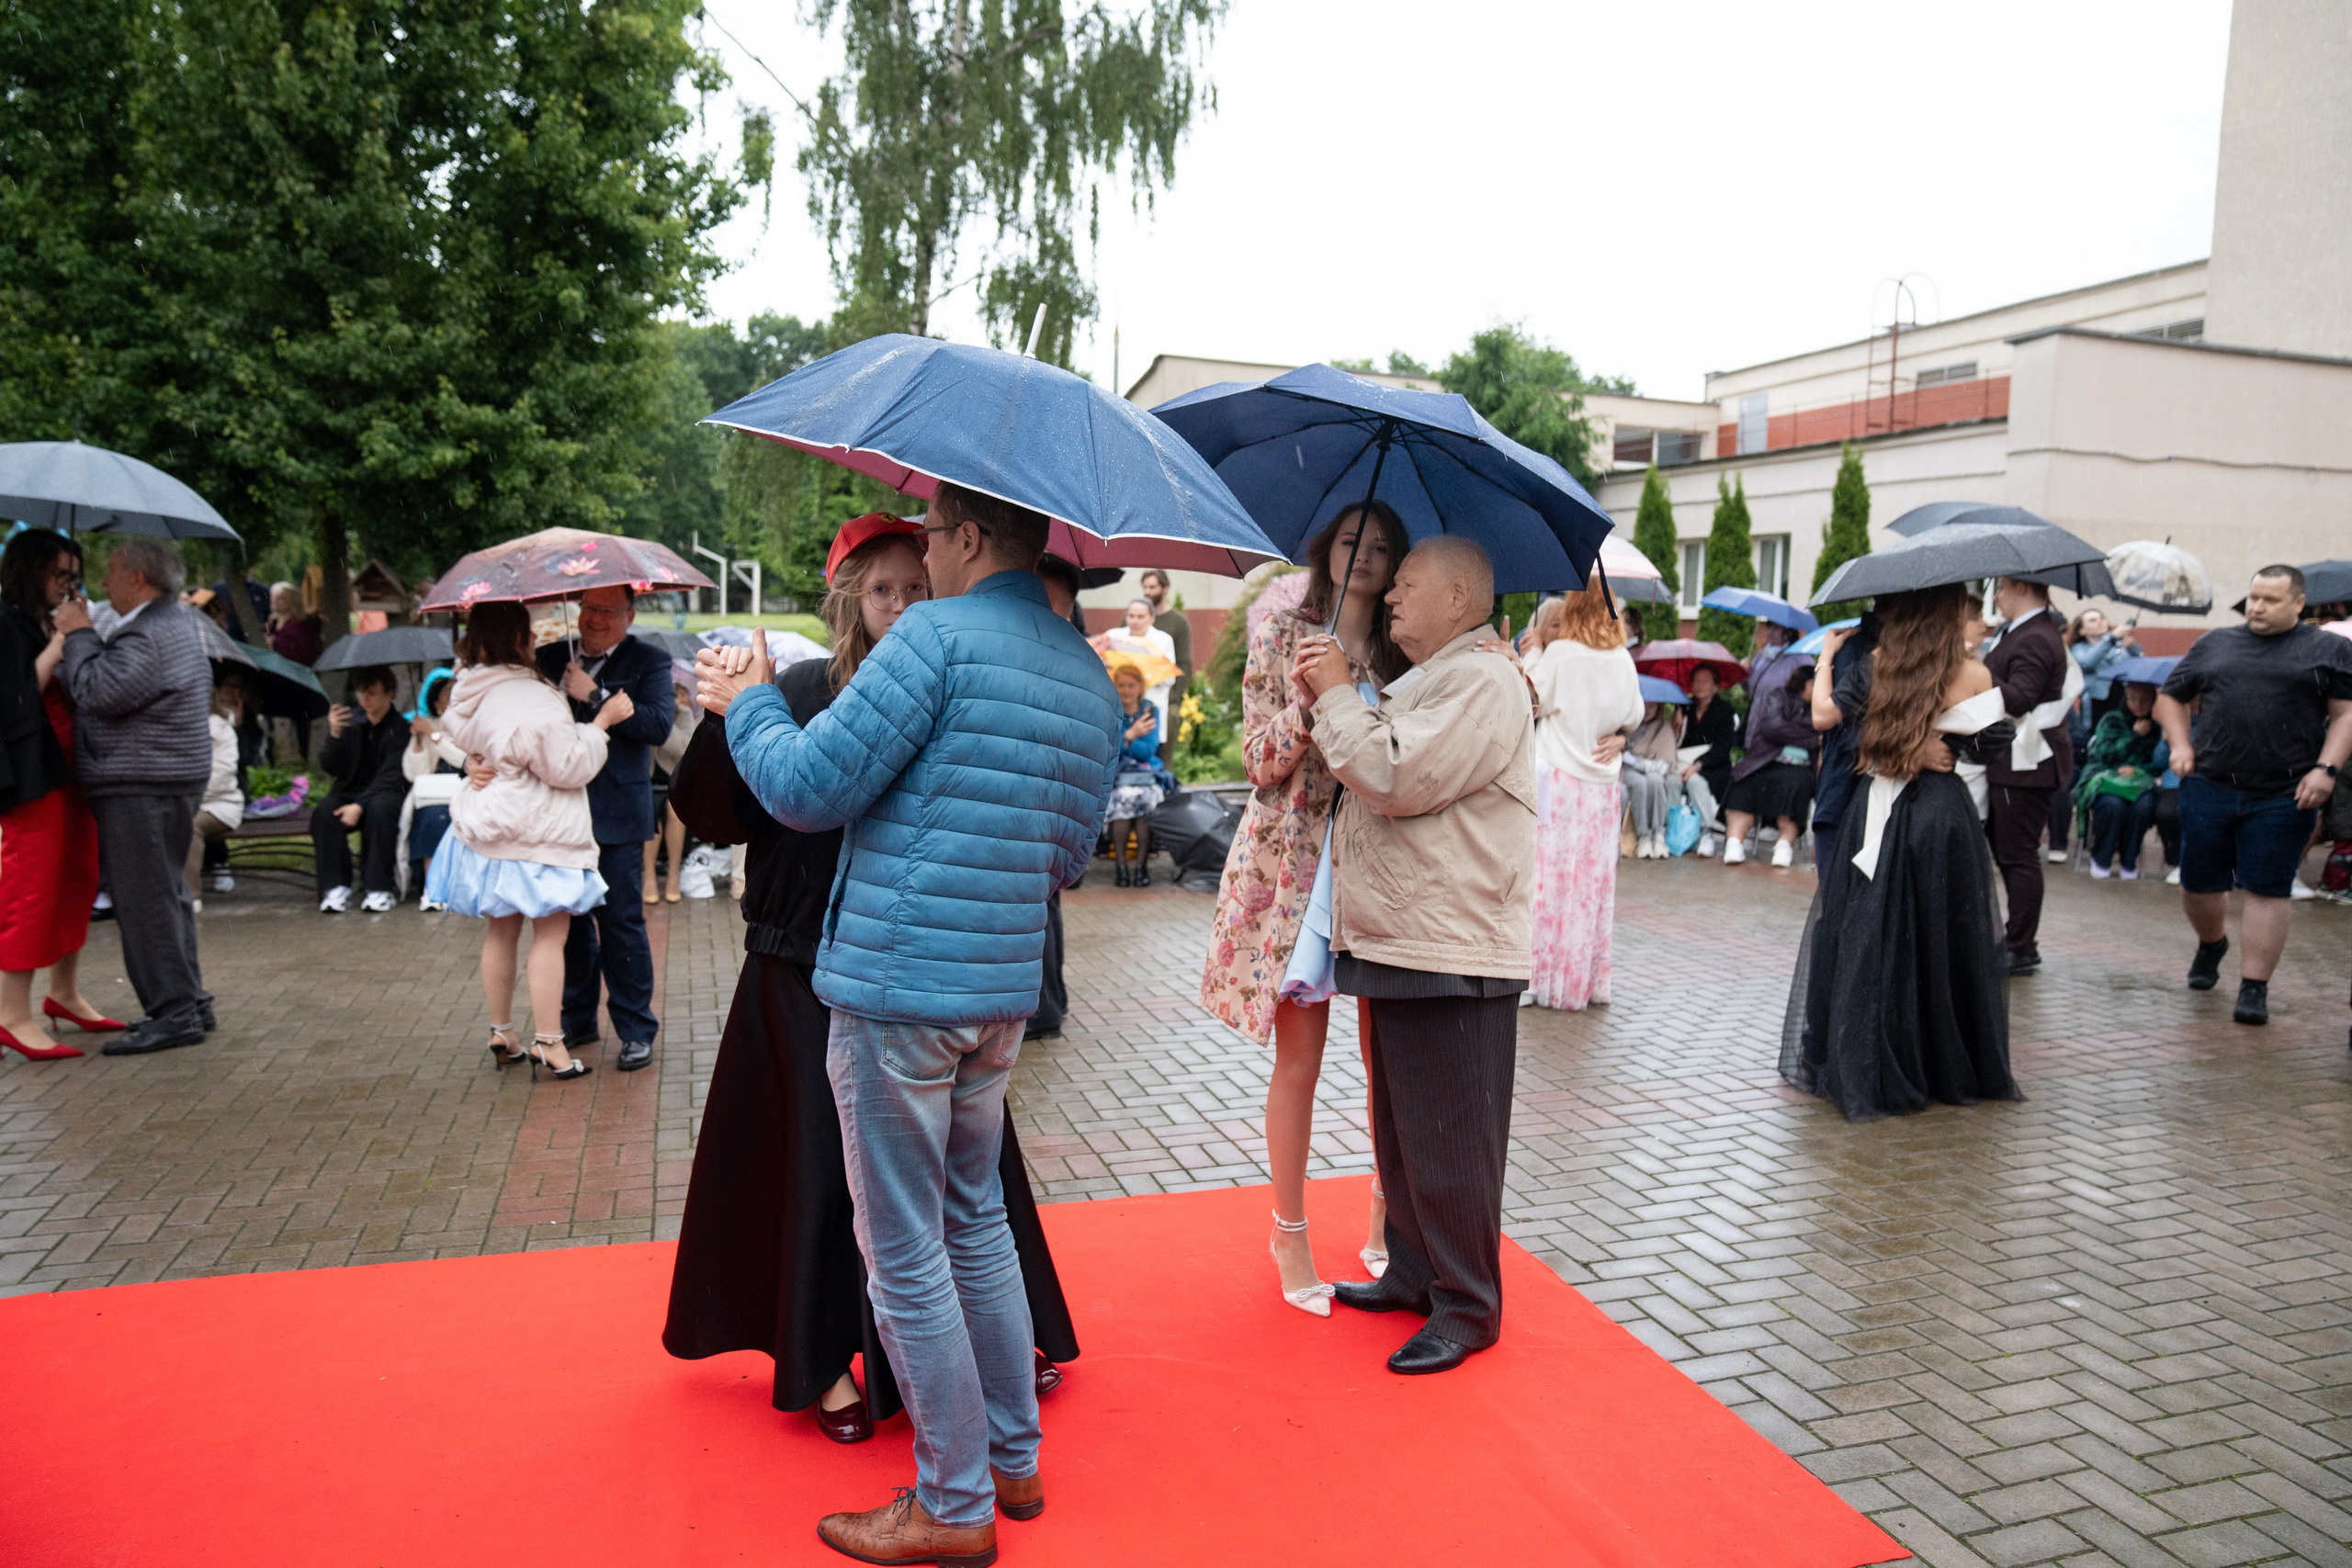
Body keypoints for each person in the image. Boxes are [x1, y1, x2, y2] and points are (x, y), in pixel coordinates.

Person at [700, 480, 1122, 1562]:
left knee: (902, 1251)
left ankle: (951, 1503)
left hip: (897, 988)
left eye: (930, 532)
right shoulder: (1080, 668)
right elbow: (1067, 858)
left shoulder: (933, 637)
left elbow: (803, 787)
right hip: (997, 990)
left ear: (970, 537)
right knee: (973, 1220)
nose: (921, 552)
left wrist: (747, 698)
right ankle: (1011, 1462)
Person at [1301, 536, 1536, 1377]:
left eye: (1407, 584)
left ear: (1462, 595)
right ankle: (1412, 1271)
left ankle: (1468, 1304)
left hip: (1453, 941)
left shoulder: (1483, 678)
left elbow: (1394, 774)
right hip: (1408, 933)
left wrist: (1337, 699)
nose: (1391, 596)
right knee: (1404, 1129)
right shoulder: (1439, 676)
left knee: (1453, 1134)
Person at [1200, 502, 1409, 1316]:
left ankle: (1388, 1224)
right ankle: (1289, 1228)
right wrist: (1322, 699)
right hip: (1296, 869)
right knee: (1302, 1058)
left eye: (1383, 547)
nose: (1366, 556)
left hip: (1384, 866)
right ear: (1326, 548)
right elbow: (1257, 761)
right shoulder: (1284, 634)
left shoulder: (1405, 654)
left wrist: (1369, 690)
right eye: (1354, 541)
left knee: (1387, 1056)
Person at [1781, 583, 2020, 1122]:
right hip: (1940, 813)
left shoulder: (1877, 662)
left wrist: (1906, 741)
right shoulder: (1974, 673)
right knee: (1941, 933)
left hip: (1879, 808)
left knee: (1873, 933)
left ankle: (1872, 1054)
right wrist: (1945, 740)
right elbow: (1993, 745)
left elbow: (1847, 737)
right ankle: (1939, 1061)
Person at [432, 600, 631, 1080]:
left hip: (490, 823)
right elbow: (567, 767)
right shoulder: (536, 697)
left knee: (501, 929)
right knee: (551, 932)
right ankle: (550, 1041)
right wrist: (599, 726)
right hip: (539, 831)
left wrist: (470, 762)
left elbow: (452, 730)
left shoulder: (467, 687)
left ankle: (502, 1030)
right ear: (521, 639)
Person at [2155, 565, 2352, 1025]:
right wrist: (2180, 744)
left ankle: (2254, 987)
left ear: (2299, 604)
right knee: (2200, 884)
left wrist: (2327, 769)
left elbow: (2345, 714)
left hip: (2285, 792)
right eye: (2254, 597)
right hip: (2210, 784)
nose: (2258, 607)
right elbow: (2171, 696)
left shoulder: (2329, 649)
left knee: (2267, 887)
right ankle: (2212, 943)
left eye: (2271, 599)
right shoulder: (2215, 643)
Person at [54, 537, 216, 1055]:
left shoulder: (150, 632)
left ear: (139, 579)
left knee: (145, 904)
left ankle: (172, 1014)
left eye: (110, 573)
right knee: (167, 895)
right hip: (164, 778)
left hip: (141, 783)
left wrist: (79, 635)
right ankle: (190, 1002)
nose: (102, 584)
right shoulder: (174, 623)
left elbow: (100, 692)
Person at [530, 584, 675, 1072]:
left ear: (629, 616)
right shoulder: (549, 659)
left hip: (615, 813)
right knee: (564, 922)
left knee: (620, 923)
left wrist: (594, 696)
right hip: (556, 811)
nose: (596, 619)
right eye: (590, 608)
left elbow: (656, 725)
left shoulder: (649, 661)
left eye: (609, 612)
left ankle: (635, 1029)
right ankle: (576, 1017)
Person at [0, 529, 119, 1060]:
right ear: (29, 572)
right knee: (32, 887)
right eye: (59, 575)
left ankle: (63, 992)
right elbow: (17, 695)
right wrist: (58, 643)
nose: (68, 586)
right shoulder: (6, 622)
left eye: (75, 576)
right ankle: (11, 1014)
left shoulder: (51, 619)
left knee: (77, 877)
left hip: (73, 770)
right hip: (32, 776)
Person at [1525, 584, 1641, 1010]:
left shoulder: (1562, 655)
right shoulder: (1623, 660)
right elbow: (1633, 715)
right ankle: (1587, 981)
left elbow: (1530, 697)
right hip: (1601, 787)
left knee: (1548, 881)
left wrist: (1535, 650)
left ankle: (1539, 979)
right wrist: (1620, 738)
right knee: (1591, 885)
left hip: (1557, 779)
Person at [1982, 576, 2076, 976]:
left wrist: (1972, 672)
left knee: (2017, 856)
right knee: (2009, 853)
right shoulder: (2024, 631)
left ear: (2020, 587)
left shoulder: (2035, 635)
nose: (1996, 598)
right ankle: (2017, 940)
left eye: (1999, 590)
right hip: (2015, 761)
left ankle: (2021, 946)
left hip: (2026, 763)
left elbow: (2019, 698)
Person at [1030, 555, 1087, 1039]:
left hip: (1049, 810)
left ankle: (1047, 1004)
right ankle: (1049, 1002)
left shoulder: (1073, 666)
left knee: (1044, 904)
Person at [310, 664, 407, 914]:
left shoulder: (400, 729)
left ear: (390, 693)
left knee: (380, 809)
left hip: (385, 793)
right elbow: (331, 767)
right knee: (325, 812)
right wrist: (334, 734)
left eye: (372, 692)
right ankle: (335, 887)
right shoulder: (353, 724)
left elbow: (391, 775)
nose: (365, 699)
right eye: (361, 692)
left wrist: (359, 806)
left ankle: (378, 888)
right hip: (350, 791)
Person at [1724, 659, 1821, 870]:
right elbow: (1772, 728)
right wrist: (1812, 737)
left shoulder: (1820, 708)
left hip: (1800, 767)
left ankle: (1784, 845)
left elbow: (1817, 730)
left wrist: (1791, 730)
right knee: (1743, 781)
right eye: (1815, 683)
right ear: (1805, 683)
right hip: (1764, 761)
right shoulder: (1779, 696)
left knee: (1797, 783)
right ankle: (1734, 843)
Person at [2078, 679, 2164, 879]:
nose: (2139, 705)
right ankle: (2102, 858)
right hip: (2107, 780)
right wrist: (2134, 735)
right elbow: (2103, 754)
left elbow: (2157, 764)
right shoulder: (2112, 720)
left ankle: (2129, 860)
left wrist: (2138, 770)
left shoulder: (2157, 729)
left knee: (2143, 807)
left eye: (2145, 700)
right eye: (2133, 699)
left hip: (2139, 785)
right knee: (2112, 805)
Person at [1809, 612, 1880, 848]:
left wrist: (1826, 655)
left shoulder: (1861, 650)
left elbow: (1821, 717)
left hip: (1846, 782)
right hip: (1852, 781)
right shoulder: (1865, 649)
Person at [185, 671, 248, 910]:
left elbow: (222, 776)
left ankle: (191, 896)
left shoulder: (222, 730)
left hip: (220, 804)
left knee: (191, 825)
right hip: (186, 800)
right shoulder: (177, 729)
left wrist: (187, 792)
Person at [402, 668, 466, 907]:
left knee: (447, 817)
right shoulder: (426, 723)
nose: (453, 697)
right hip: (433, 793)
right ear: (436, 701)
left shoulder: (468, 725)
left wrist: (435, 735)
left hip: (464, 789)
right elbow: (414, 773)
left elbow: (463, 759)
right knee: (430, 817)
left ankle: (454, 887)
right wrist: (419, 742)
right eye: (447, 693)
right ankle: (432, 887)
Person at [1102, 658, 1167, 886]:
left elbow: (1148, 749)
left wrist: (1126, 741)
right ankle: (1121, 867)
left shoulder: (1150, 711)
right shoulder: (1110, 711)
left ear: (1140, 687)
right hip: (1119, 775)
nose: (1126, 690)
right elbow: (1109, 748)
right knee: (1122, 801)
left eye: (1131, 685)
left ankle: (1141, 867)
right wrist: (1130, 735)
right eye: (1121, 685)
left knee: (1144, 804)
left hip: (1145, 774)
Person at [644, 671, 695, 904]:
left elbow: (683, 748)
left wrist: (663, 721)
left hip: (674, 784)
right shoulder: (643, 711)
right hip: (647, 783)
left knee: (674, 811)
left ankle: (674, 874)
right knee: (650, 813)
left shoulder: (682, 714)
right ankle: (650, 877)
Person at [1683, 665, 1739, 855]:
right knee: (1671, 781)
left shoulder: (1724, 711)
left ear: (1716, 686)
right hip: (1684, 763)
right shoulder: (1684, 707)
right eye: (1696, 681)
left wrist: (1698, 765)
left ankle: (1706, 832)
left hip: (1713, 766)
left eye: (1705, 681)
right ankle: (1674, 829)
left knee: (1694, 781)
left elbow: (1723, 747)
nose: (1700, 686)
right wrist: (1676, 727)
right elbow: (1678, 743)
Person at [1138, 567, 1192, 768]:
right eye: (1145, 587)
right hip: (1136, 696)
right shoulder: (1135, 617)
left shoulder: (1177, 622)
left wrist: (1175, 700)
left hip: (1166, 697)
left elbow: (1184, 662)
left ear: (1165, 588)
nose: (1147, 592)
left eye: (1152, 587)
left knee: (1162, 759)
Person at [1622, 697, 1683, 859]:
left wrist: (1637, 762)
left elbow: (1665, 765)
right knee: (1640, 783)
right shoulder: (1627, 726)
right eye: (1644, 705)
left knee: (1656, 780)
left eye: (1652, 706)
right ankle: (1644, 836)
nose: (1647, 710)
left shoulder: (1663, 729)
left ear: (1659, 708)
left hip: (1652, 771)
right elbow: (1622, 755)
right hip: (1627, 771)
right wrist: (1642, 764)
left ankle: (1658, 834)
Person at [2069, 607, 2142, 725]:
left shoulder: (2118, 646)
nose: (2100, 622)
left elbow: (2139, 668)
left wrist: (2132, 648)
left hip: (2122, 699)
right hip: (2097, 703)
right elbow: (2088, 663)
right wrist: (2111, 638)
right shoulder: (2079, 649)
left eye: (2102, 618)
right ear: (2082, 631)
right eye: (2092, 620)